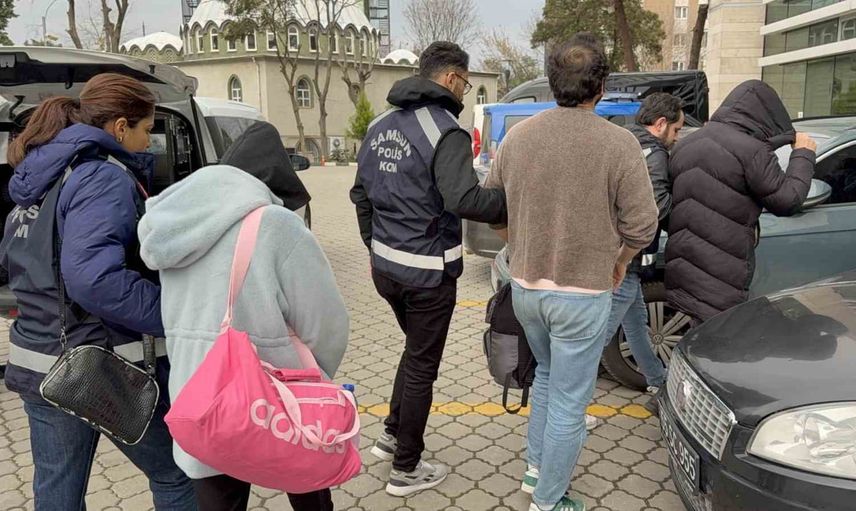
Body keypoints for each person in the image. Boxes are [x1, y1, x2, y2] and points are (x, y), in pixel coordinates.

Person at [1, 73, 195, 510]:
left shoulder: (40, 178)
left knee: (57, 492)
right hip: (97, 367)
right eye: (147, 130)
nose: (148, 143)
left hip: (37, 360)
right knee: (176, 475)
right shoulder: (102, 177)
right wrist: (176, 312)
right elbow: (94, 279)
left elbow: (16, 262)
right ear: (120, 127)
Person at [485, 33, 659, 511]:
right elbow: (643, 225)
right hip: (583, 293)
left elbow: (492, 207)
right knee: (569, 400)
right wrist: (620, 261)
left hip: (526, 289)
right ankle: (549, 499)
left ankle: (535, 470)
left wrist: (518, 244)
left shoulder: (518, 137)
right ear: (600, 86)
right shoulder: (619, 144)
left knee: (545, 377)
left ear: (551, 81)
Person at [137, 123, 349, 511]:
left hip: (201, 399)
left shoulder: (171, 224)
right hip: (278, 401)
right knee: (310, 489)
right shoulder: (276, 225)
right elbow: (327, 324)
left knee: (219, 501)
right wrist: (315, 376)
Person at [350, 41, 507, 497]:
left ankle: (391, 434)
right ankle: (406, 468)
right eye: (466, 84)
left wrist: (375, 245)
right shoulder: (445, 131)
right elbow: (465, 199)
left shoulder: (379, 125)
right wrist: (509, 200)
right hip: (428, 276)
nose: (464, 92)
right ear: (452, 78)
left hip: (387, 270)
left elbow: (360, 195)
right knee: (423, 365)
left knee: (414, 352)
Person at [665, 80, 816, 323]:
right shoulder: (752, 150)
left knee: (700, 330)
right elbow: (788, 200)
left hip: (686, 264)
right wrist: (804, 154)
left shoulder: (684, 145)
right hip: (722, 271)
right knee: (723, 336)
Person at [597, 93, 684, 415]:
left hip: (614, 249)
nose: (677, 138)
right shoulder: (655, 154)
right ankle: (565, 409)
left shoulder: (623, 141)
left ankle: (659, 382)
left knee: (636, 324)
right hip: (627, 257)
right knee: (593, 343)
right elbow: (657, 208)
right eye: (676, 130)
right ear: (660, 124)